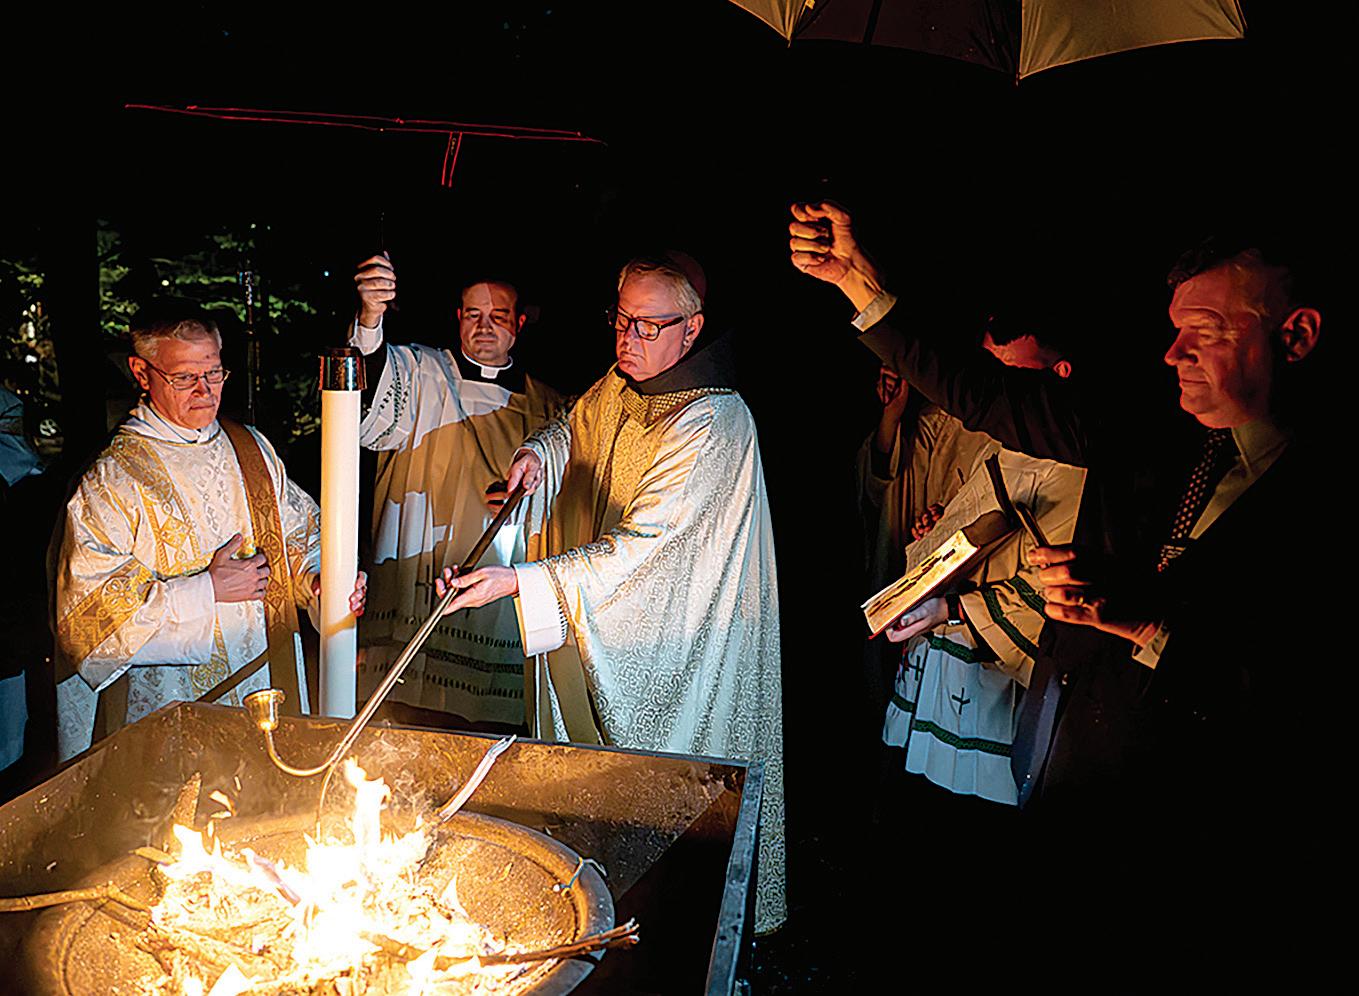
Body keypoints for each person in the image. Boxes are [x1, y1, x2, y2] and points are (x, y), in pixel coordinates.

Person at [789, 205, 1330, 837]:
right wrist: (860, 285)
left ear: (1296, 335)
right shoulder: (1145, 431)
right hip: (1068, 768)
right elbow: (980, 394)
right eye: (1175, 330)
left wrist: (1144, 623)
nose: (1173, 354)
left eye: (1205, 332)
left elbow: (1285, 691)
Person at [433, 253, 786, 934]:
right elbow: (573, 427)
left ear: (692, 329)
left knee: (675, 817)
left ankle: (678, 928)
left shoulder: (713, 423)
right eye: (621, 320)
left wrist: (522, 581)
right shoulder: (623, 384)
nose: (628, 339)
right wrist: (537, 456)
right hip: (617, 610)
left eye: (648, 326)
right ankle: (601, 908)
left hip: (686, 641)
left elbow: (645, 550)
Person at [52, 303, 366, 761]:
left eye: (214, 373)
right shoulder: (113, 480)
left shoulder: (251, 449)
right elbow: (86, 622)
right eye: (184, 377)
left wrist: (320, 583)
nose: (204, 391)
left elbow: (302, 537)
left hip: (267, 686)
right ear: (141, 373)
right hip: (169, 716)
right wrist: (207, 590)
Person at [872, 318, 1086, 806]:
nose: (995, 385)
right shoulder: (1000, 438)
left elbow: (1052, 589)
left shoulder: (1075, 459)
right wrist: (944, 529)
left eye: (1011, 369)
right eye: (991, 366)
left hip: (992, 670)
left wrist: (953, 609)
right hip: (942, 656)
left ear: (1060, 371)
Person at [347, 255, 565, 732]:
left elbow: (568, 497)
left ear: (519, 323)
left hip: (493, 591)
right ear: (458, 319)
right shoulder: (422, 373)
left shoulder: (548, 407)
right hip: (411, 576)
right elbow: (367, 387)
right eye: (473, 315)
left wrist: (530, 500)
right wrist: (370, 317)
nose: (484, 328)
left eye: (498, 316)